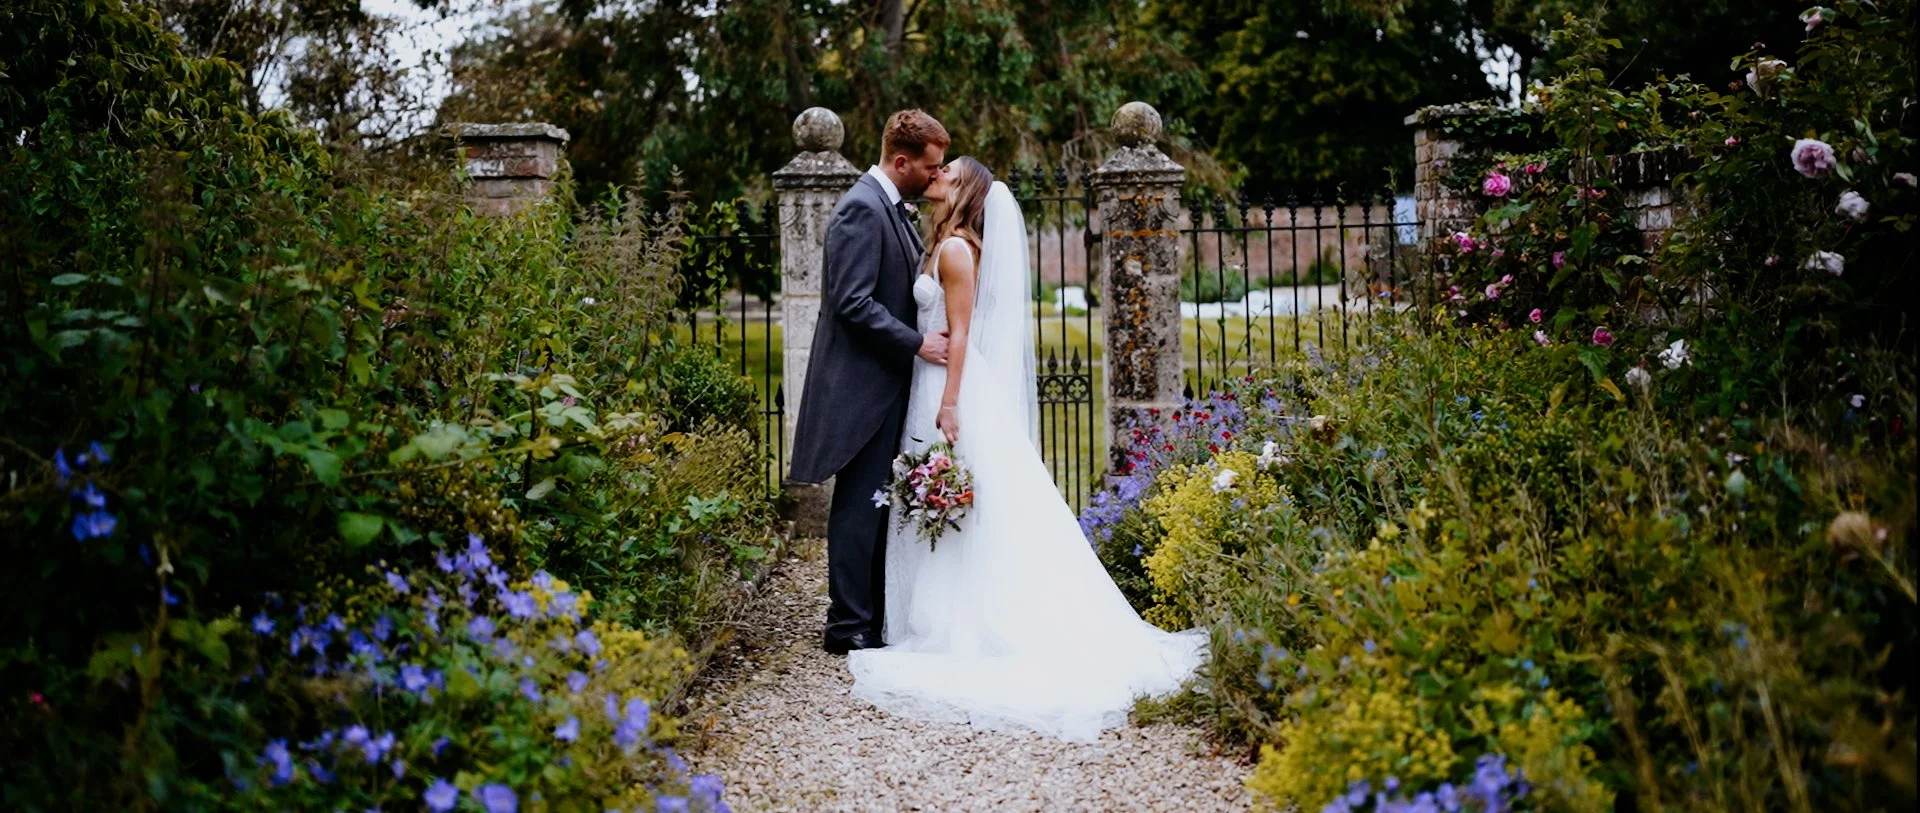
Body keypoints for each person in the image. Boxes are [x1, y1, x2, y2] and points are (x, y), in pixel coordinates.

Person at [848, 157, 1206, 742]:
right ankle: (924, 618)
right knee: (943, 495)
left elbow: (960, 332)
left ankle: (961, 627)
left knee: (959, 497)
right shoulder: (939, 240)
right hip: (928, 382)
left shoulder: (958, 250)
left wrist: (950, 403)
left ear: (966, 192)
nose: (937, 176)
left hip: (947, 388)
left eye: (949, 172)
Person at [788, 110, 952, 655]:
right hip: (862, 387)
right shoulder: (861, 207)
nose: (937, 175)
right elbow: (852, 302)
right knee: (860, 506)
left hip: (885, 385)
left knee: (878, 504)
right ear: (900, 161)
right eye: (930, 167)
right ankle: (848, 627)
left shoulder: (890, 206)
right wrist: (917, 343)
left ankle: (871, 618)